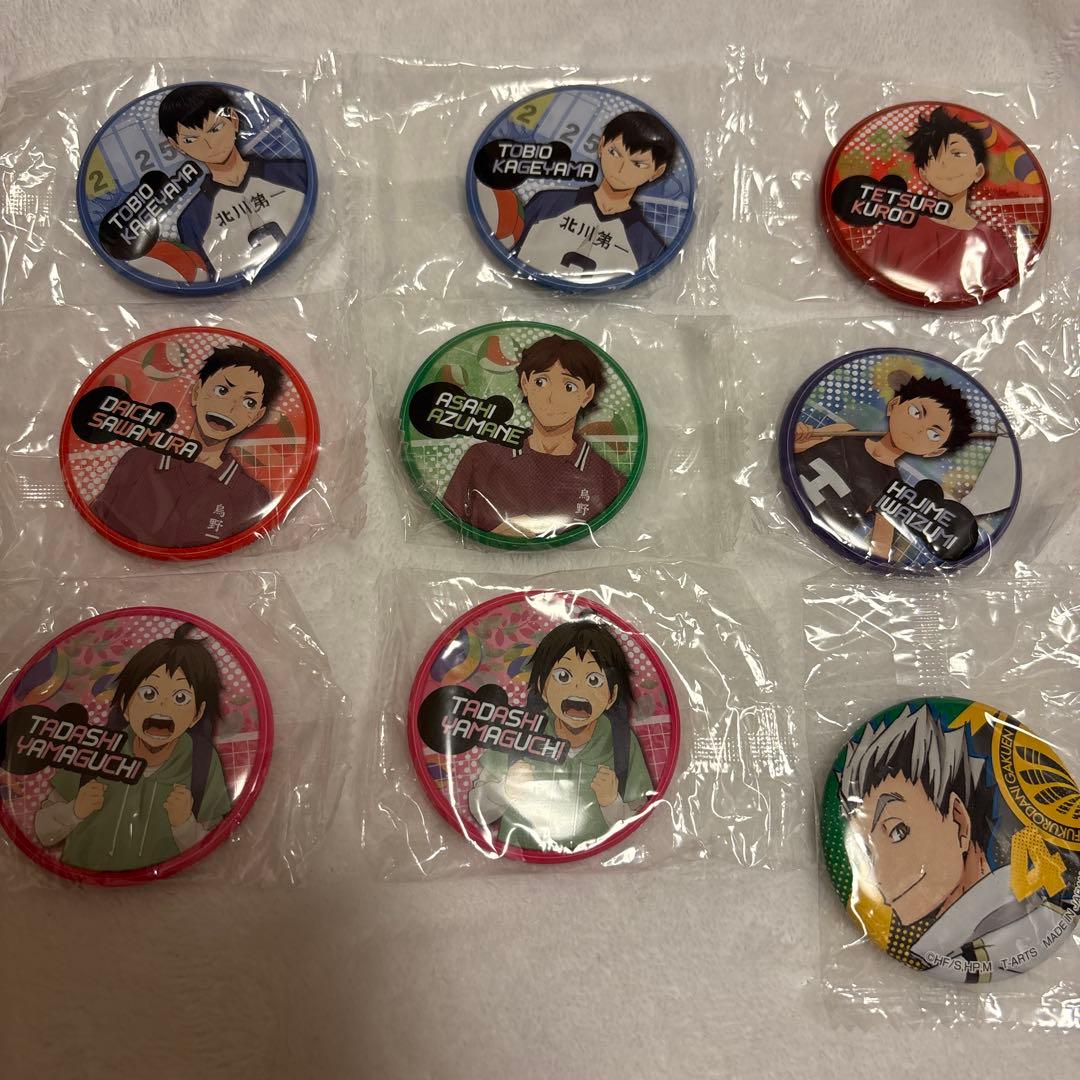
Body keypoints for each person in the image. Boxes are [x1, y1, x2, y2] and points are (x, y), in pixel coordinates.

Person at [837, 702, 1070, 981]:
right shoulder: (951, 947)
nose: (880, 875)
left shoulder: (1006, 933)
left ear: (959, 821)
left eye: (898, 831)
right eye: (868, 852)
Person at [33, 624, 231, 872]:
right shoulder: (95, 748)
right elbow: (43, 832)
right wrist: (74, 811)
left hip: (165, 890)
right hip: (79, 885)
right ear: (126, 705)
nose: (162, 706)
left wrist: (184, 824)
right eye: (148, 693)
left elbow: (215, 847)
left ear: (197, 714)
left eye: (180, 698)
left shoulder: (202, 761)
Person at [469, 621, 652, 852]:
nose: (578, 691)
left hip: (594, 863)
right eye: (563, 676)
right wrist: (505, 790)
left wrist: (611, 802)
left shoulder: (621, 741)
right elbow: (479, 812)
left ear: (612, 696)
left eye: (594, 680)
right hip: (518, 862)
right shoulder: (519, 731)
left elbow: (639, 821)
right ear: (542, 687)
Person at [90, 344, 281, 549]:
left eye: (248, 402)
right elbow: (98, 519)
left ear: (257, 416)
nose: (230, 407)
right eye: (222, 390)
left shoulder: (252, 496)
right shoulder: (137, 461)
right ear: (197, 392)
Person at [442, 335, 626, 539]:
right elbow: (446, 523)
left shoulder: (608, 479)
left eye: (569, 386)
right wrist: (497, 536)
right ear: (525, 384)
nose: (552, 398)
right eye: (541, 382)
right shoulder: (481, 457)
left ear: (587, 395)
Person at [793, 371, 974, 561]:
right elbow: (793, 447)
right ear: (894, 405)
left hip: (812, 538)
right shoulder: (844, 431)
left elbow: (881, 550)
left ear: (935, 452)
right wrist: (801, 434)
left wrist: (876, 562)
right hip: (786, 491)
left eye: (933, 434)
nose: (919, 429)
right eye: (916, 413)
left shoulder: (894, 490)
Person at [862, 107, 1015, 303]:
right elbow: (867, 271)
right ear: (924, 174)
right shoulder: (897, 229)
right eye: (933, 156)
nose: (945, 164)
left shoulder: (993, 244)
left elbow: (1002, 286)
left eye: (957, 153)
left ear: (978, 171)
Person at [158, 84, 307, 279]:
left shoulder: (292, 172)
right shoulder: (192, 219)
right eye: (191, 140)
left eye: (216, 128)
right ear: (176, 145)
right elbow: (204, 278)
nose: (209, 144)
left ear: (234, 120)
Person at [512, 110, 675, 281]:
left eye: (638, 164)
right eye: (614, 153)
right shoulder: (548, 201)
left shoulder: (650, 246)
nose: (620, 169)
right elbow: (509, 244)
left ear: (657, 172)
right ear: (601, 146)